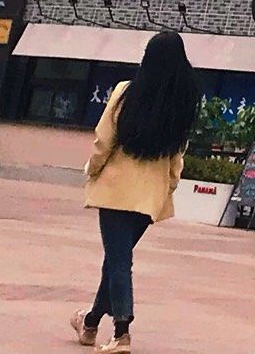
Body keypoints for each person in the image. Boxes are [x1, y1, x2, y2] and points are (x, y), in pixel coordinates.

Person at [72, 31, 197, 349]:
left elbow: (104, 139)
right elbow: (177, 156)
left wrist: (92, 169)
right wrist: (168, 187)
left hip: (116, 190)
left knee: (118, 261)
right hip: (150, 197)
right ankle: (89, 323)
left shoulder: (126, 92)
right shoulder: (181, 104)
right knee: (116, 260)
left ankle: (121, 332)